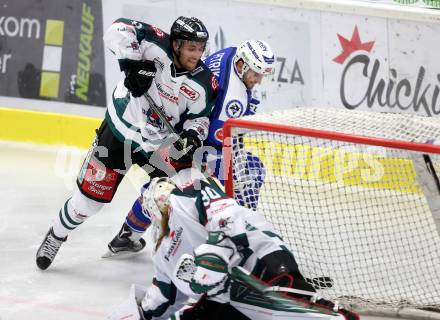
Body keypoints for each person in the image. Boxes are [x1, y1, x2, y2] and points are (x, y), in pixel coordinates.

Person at [35, 16, 218, 270]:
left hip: (158, 144)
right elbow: (117, 29)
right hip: (119, 132)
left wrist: (192, 135)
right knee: (88, 202)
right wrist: (132, 64)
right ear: (176, 44)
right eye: (191, 48)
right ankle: (56, 235)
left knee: (183, 189)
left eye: (200, 48)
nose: (196, 54)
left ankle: (129, 237)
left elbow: (199, 119)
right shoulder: (155, 43)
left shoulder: (203, 83)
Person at [107, 168, 359, 320]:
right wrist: (136, 311)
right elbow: (162, 299)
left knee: (290, 296)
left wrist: (214, 253)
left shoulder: (189, 196)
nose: (165, 198)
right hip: (228, 295)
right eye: (160, 197)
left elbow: (226, 215)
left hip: (258, 255)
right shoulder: (163, 255)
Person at [106, 40, 275, 256]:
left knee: (161, 187)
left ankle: (127, 234)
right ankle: (241, 235)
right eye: (256, 74)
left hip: (174, 126)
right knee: (249, 172)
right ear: (242, 65)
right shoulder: (233, 100)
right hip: (193, 141)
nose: (259, 80)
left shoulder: (231, 53)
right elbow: (218, 144)